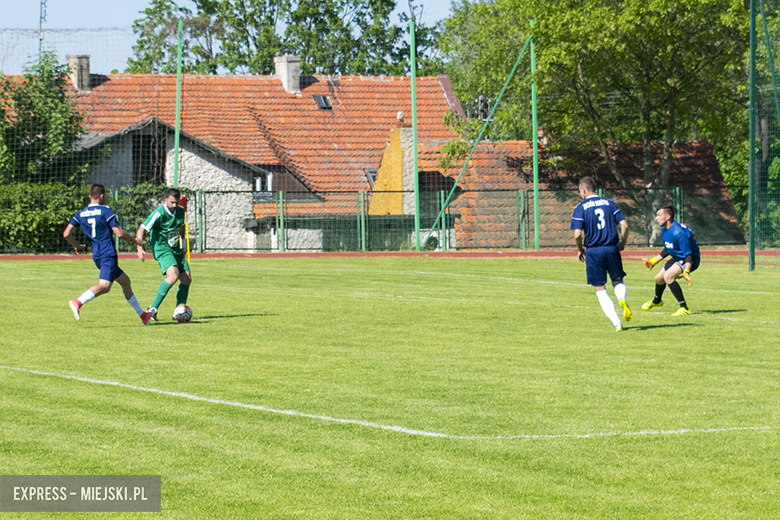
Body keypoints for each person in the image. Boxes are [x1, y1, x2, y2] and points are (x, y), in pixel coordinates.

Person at [63, 184, 151, 324]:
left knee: (125, 282)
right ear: (102, 196)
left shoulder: (80, 214)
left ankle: (143, 315)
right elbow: (119, 233)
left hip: (97, 255)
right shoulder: (105, 211)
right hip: (107, 254)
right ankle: (78, 302)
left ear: (89, 196)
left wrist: (77, 246)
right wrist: (135, 241)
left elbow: (66, 234)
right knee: (104, 286)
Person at [571, 177, 631, 332]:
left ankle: (617, 323)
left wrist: (580, 249)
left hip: (593, 251)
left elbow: (577, 234)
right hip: (612, 248)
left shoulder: (581, 207)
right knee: (617, 281)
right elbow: (624, 224)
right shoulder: (610, 203)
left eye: (580, 192)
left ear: (583, 190)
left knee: (600, 288)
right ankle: (621, 299)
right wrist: (623, 242)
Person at [136, 188, 190, 321]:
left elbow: (181, 227)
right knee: (173, 275)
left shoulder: (180, 211)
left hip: (176, 249)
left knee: (186, 279)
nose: (174, 205)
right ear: (165, 200)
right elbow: (142, 228)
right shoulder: (159, 213)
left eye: (176, 202)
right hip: (162, 248)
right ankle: (152, 309)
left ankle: (179, 311)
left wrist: (183, 243)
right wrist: (139, 247)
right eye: (172, 202)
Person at [641, 204, 700, 316]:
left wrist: (686, 271)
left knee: (668, 276)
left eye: (659, 215)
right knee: (658, 278)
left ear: (668, 216)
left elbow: (688, 254)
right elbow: (669, 248)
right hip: (678, 257)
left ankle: (684, 308)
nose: (656, 218)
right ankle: (657, 301)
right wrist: (654, 261)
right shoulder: (665, 229)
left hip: (689, 259)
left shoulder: (678, 232)